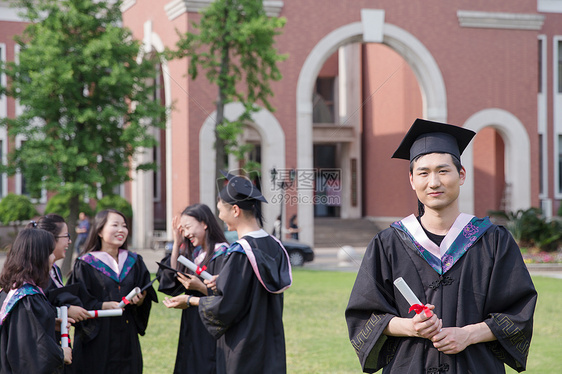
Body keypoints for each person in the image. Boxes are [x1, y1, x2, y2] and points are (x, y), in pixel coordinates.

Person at [345, 119, 537, 373]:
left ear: (461, 175)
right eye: (423, 173)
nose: (433, 182)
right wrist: (410, 326)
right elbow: (364, 317)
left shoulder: (493, 241)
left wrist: (468, 334)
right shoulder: (388, 244)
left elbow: (519, 313)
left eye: (443, 171)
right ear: (412, 180)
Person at [185, 172, 293, 374]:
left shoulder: (240, 252)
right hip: (271, 344)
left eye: (220, 210)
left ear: (235, 210)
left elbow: (226, 307)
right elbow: (251, 288)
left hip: (243, 348)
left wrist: (192, 301)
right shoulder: (275, 246)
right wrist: (225, 280)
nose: (219, 216)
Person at [66, 209, 157, 374]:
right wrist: (102, 305)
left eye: (124, 226)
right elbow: (77, 301)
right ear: (100, 230)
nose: (121, 230)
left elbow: (146, 294)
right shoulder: (86, 263)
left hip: (126, 337)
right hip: (97, 338)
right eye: (115, 225)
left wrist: (141, 300)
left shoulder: (134, 261)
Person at [160, 203, 230, 374]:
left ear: (204, 223)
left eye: (188, 227)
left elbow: (230, 298)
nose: (186, 233)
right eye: (182, 229)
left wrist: (199, 287)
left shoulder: (225, 254)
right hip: (191, 325)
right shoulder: (195, 255)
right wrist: (177, 243)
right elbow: (171, 281)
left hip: (212, 329)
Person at [0, 228, 72, 372]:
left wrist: (49, 322)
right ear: (38, 257)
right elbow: (30, 353)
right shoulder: (28, 299)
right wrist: (61, 353)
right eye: (50, 253)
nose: (53, 258)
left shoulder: (9, 291)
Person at [30, 215, 91, 323]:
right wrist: (64, 310)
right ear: (51, 239)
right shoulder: (31, 273)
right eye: (66, 236)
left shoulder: (54, 269)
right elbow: (33, 310)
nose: (70, 241)